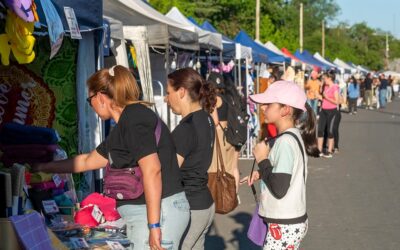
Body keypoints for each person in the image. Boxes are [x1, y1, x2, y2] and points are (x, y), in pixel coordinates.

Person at [33, 65, 189, 250]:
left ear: (100, 97)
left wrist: (154, 226)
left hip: (160, 213)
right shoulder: (123, 126)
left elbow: (152, 170)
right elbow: (87, 161)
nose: (90, 105)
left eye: (89, 99)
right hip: (150, 215)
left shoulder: (134, 118)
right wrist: (44, 167)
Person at [241, 80, 319, 250]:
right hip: (289, 221)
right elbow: (285, 173)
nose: (263, 108)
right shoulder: (293, 136)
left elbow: (279, 187)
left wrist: (262, 160)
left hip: (284, 223)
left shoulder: (284, 142)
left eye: (268, 104)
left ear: (285, 110)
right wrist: (262, 173)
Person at [164, 68, 216, 250]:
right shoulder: (207, 119)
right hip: (205, 204)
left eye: (168, 93)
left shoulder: (186, 128)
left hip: (191, 206)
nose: (165, 99)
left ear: (181, 92)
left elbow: (169, 174)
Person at [208, 72, 240, 194]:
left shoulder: (214, 99)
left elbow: (215, 121)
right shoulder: (229, 98)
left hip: (219, 134)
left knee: (218, 167)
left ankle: (220, 195)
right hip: (232, 133)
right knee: (233, 167)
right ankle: (234, 195)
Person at [317, 71, 340, 158]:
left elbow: (337, 102)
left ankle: (329, 151)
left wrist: (327, 98)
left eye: (325, 78)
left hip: (332, 111)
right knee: (320, 130)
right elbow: (323, 98)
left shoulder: (335, 87)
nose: (324, 80)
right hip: (323, 110)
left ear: (330, 78)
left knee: (330, 131)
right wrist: (319, 96)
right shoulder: (325, 87)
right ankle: (319, 150)